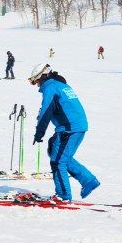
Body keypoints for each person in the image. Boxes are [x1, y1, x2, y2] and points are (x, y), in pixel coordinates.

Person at [29, 64, 99, 202]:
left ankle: (63, 196)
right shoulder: (59, 85)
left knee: (58, 161)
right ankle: (88, 180)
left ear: (43, 77)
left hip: (70, 128)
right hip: (75, 126)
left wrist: (39, 133)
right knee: (56, 153)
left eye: (36, 81)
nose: (37, 85)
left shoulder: (50, 87)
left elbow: (46, 112)